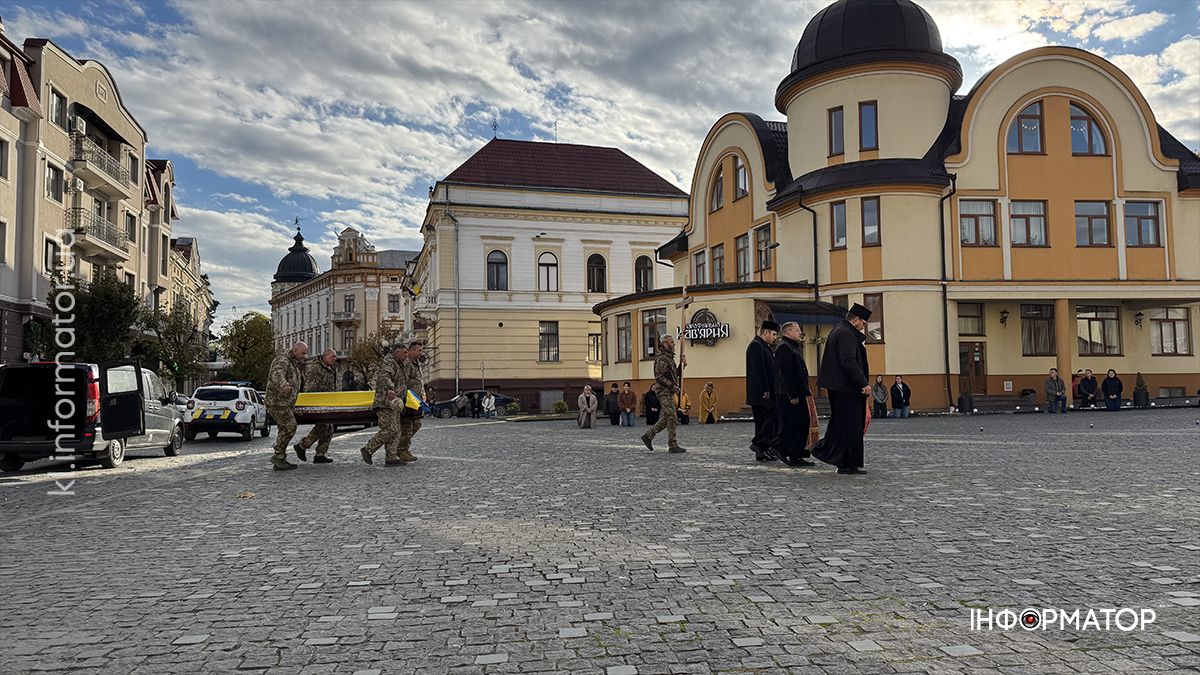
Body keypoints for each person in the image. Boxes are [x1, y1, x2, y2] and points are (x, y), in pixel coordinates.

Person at [811, 304, 871, 475]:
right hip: (847, 389)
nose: (864, 326)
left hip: (842, 388)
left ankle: (846, 462)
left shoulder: (841, 330)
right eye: (863, 323)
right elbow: (848, 361)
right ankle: (845, 461)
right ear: (855, 320)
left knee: (844, 425)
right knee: (850, 426)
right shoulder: (846, 333)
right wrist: (863, 383)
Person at [774, 321, 814, 467]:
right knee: (794, 424)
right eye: (797, 330)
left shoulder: (792, 346)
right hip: (789, 394)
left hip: (796, 391)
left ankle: (796, 454)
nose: (800, 333)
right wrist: (793, 394)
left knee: (801, 424)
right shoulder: (784, 347)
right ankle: (784, 449)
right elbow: (786, 373)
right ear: (788, 332)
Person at [360, 342, 407, 466]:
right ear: (397, 352)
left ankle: (391, 458)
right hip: (385, 402)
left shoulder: (398, 363)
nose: (406, 355)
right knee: (390, 429)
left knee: (396, 431)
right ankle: (368, 449)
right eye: (404, 352)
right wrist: (390, 388)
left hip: (393, 403)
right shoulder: (389, 361)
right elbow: (385, 376)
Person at [266, 341, 308, 471]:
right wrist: (283, 385)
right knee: (290, 426)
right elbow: (277, 373)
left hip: (285, 402)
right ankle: (278, 456)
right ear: (295, 350)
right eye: (303, 353)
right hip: (277, 401)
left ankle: (280, 459)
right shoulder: (283, 360)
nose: (305, 356)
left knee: (284, 428)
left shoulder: (293, 363)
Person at [641, 334, 686, 453]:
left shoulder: (669, 357)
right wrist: (672, 386)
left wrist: (682, 365)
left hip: (669, 391)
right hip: (663, 392)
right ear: (665, 344)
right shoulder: (662, 358)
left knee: (669, 417)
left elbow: (673, 375)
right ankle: (672, 445)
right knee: (672, 417)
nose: (674, 344)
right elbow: (659, 377)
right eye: (671, 342)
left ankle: (648, 435)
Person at [293, 348, 338, 464]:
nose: (335, 359)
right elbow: (309, 389)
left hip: (329, 403)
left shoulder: (332, 368)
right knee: (323, 426)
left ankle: (320, 454)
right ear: (325, 356)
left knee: (329, 428)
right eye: (332, 356)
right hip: (318, 403)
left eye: (335, 356)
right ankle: (302, 446)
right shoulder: (316, 369)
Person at [745, 319, 780, 462]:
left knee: (766, 421)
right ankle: (759, 445)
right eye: (773, 334)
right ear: (765, 332)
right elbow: (758, 370)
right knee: (765, 421)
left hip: (766, 392)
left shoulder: (763, 346)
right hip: (761, 393)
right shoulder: (756, 346)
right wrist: (764, 389)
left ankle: (763, 449)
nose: (775, 337)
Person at [393, 341, 426, 463]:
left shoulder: (417, 363)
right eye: (419, 350)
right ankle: (401, 450)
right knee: (407, 425)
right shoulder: (406, 363)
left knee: (416, 424)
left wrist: (423, 393)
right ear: (411, 350)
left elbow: (419, 380)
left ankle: (403, 447)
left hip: (416, 399)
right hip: (408, 399)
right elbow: (402, 381)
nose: (421, 353)